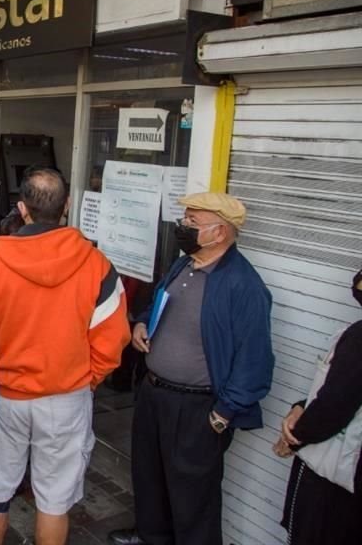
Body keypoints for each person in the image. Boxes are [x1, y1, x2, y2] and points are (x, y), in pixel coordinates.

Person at [0, 167, 130, 545]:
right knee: (54, 500)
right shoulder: (98, 265)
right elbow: (113, 338)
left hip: (3, 396)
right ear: (67, 206)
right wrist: (85, 381)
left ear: (22, 209)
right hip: (66, 398)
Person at [109, 192, 274, 545]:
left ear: (220, 233)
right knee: (150, 478)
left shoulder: (243, 285)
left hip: (197, 408)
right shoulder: (183, 264)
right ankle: (151, 537)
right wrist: (141, 323)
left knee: (193, 499)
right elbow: (157, 303)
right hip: (155, 395)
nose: (182, 228)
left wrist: (222, 414)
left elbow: (254, 360)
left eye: (191, 223)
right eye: (184, 220)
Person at [272, 267, 362, 544]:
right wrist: (302, 405)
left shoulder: (359, 338)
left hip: (336, 486)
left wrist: (295, 437)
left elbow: (334, 405)